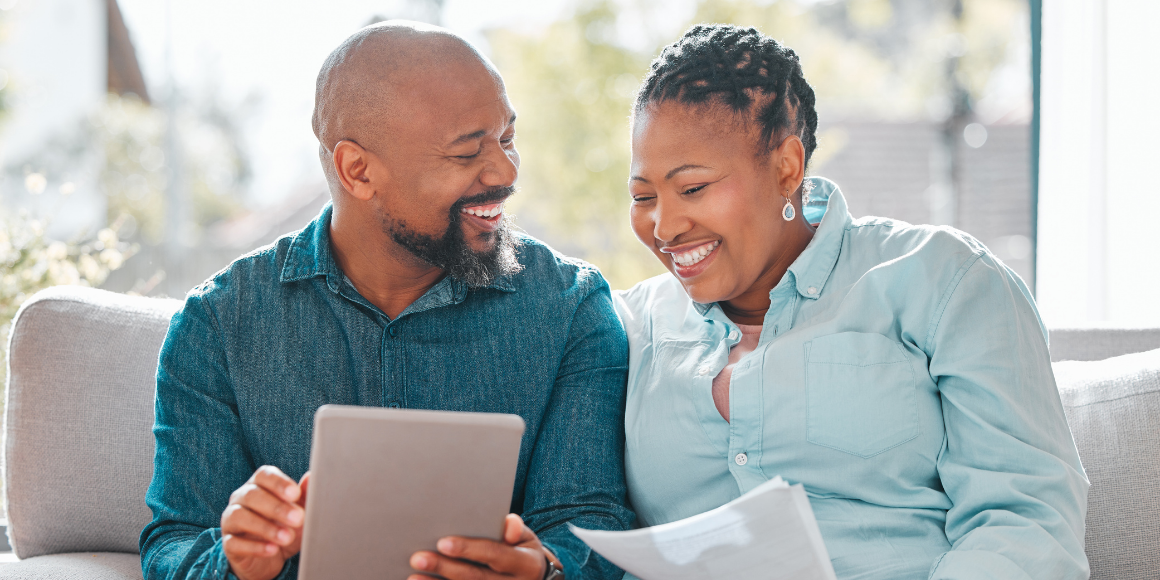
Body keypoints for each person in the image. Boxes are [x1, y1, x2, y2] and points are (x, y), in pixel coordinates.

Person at [140, 21, 634, 580]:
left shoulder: (569, 306)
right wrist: (235, 562)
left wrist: (543, 568)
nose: (505, 170)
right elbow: (172, 543)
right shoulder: (218, 324)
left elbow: (591, 523)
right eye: (467, 152)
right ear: (359, 170)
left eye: (507, 138)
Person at [614, 24, 1089, 579]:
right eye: (643, 196)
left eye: (692, 188)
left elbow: (1027, 519)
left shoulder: (945, 280)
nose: (664, 226)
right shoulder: (629, 326)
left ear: (787, 167)